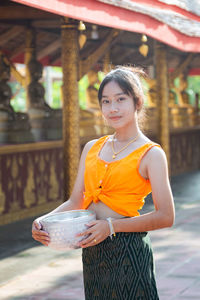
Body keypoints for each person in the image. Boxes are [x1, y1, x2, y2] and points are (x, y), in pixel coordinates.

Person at [32, 66, 175, 300]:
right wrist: (43, 222)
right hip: (93, 252)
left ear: (137, 102)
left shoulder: (151, 154)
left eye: (121, 99)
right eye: (106, 101)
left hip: (128, 251)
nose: (113, 108)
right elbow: (76, 201)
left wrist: (111, 226)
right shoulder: (92, 148)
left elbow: (166, 216)